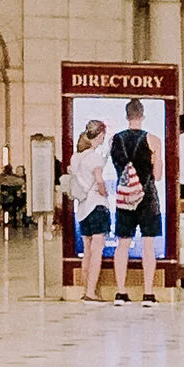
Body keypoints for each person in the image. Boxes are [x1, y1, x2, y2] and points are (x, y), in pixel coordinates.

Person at [107, 94, 165, 301]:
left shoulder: (116, 139)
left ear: (126, 116)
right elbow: (157, 175)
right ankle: (148, 293)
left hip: (124, 197)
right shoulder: (153, 140)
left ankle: (120, 292)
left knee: (123, 243)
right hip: (147, 197)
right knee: (147, 244)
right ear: (143, 115)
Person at [65, 120, 114, 298]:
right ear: (100, 135)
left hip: (84, 208)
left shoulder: (76, 157)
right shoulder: (94, 157)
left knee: (87, 251)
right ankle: (92, 292)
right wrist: (105, 192)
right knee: (97, 251)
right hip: (97, 206)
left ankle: (86, 290)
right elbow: (100, 182)